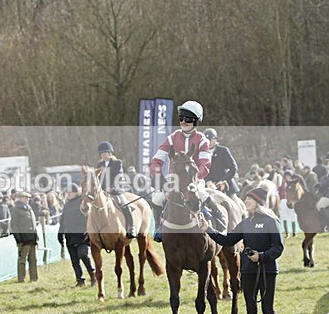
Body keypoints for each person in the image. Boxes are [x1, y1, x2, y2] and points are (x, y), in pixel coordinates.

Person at [199, 187, 285, 314]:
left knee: (267, 309)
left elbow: (278, 247)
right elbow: (227, 240)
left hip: (267, 271)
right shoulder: (246, 223)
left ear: (258, 202)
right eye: (245, 199)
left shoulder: (271, 221)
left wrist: (261, 256)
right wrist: (208, 229)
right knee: (250, 309)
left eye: (249, 199)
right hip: (248, 271)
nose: (245, 201)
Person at [148, 100, 225, 230]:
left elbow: (205, 164)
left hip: (194, 178)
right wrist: (158, 177)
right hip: (174, 179)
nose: (183, 122)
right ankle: (157, 226)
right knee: (157, 197)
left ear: (196, 121)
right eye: (181, 118)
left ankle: (219, 216)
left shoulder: (202, 139)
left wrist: (194, 179)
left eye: (188, 119)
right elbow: (156, 160)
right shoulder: (172, 138)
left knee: (202, 193)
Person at [96, 141, 136, 238]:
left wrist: (112, 188)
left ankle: (131, 227)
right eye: (102, 154)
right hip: (103, 191)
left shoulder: (117, 163)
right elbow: (98, 178)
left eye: (105, 153)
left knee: (124, 203)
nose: (103, 155)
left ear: (110, 153)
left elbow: (119, 176)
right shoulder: (99, 164)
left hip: (116, 190)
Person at [57, 183, 94, 287]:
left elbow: (88, 216)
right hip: (70, 236)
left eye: (71, 192)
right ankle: (80, 280)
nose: (68, 194)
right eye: (67, 192)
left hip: (82, 236)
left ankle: (93, 275)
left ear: (76, 192)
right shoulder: (66, 205)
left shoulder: (82, 202)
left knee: (83, 255)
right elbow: (63, 221)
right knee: (74, 260)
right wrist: (60, 233)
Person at [10, 191, 38, 282]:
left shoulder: (29, 208)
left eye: (28, 198)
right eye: (26, 198)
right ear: (20, 198)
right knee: (22, 259)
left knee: (33, 259)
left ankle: (34, 278)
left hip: (32, 237)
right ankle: (21, 278)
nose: (27, 199)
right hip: (23, 238)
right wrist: (19, 239)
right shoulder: (16, 209)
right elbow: (14, 225)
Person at [204, 128, 240, 198]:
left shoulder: (223, 151)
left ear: (215, 139)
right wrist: (207, 181)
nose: (209, 142)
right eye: (207, 140)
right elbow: (200, 171)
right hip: (208, 187)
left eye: (211, 139)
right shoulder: (201, 153)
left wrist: (224, 180)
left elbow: (233, 168)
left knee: (236, 203)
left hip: (226, 185)